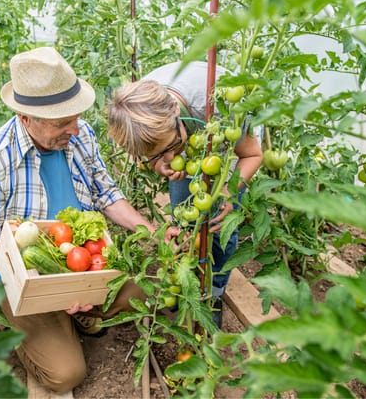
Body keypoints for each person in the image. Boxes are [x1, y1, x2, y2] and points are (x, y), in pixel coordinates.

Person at [0, 47, 178, 395]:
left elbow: (107, 194)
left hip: (86, 260)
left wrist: (153, 231)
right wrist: (50, 291)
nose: (75, 129)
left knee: (150, 283)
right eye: (62, 122)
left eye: (76, 117)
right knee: (65, 374)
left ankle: (80, 313)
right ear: (25, 117)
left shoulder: (81, 136)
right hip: (29, 279)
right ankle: (36, 329)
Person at [108, 61, 263, 327]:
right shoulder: (135, 116)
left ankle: (214, 291)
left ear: (177, 116)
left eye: (171, 147)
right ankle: (188, 280)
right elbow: (151, 157)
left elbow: (253, 155)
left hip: (228, 143)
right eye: (158, 153)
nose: (170, 158)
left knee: (222, 225)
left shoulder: (220, 106)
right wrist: (159, 163)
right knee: (183, 218)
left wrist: (228, 192)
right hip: (192, 139)